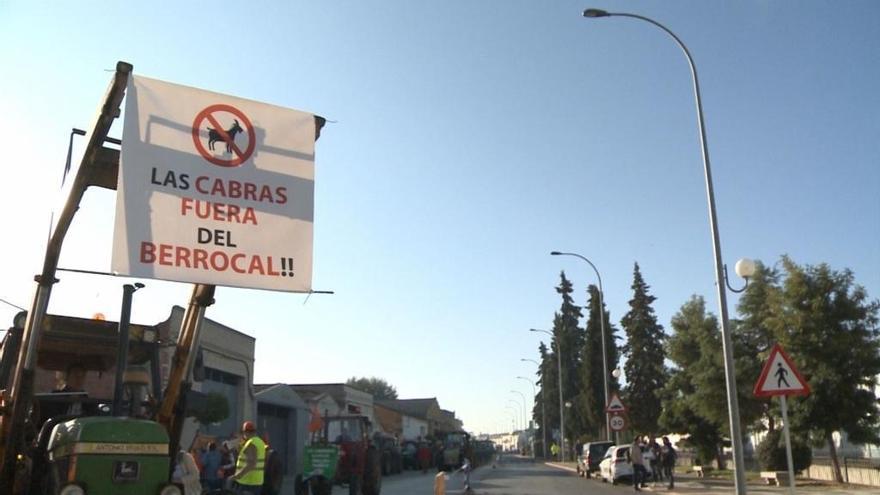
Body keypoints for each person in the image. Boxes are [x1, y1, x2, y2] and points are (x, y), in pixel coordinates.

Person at [231, 421, 267, 495]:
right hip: (256, 481)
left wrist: (238, 475)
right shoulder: (259, 442)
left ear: (245, 432)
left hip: (248, 482)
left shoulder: (251, 443)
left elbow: (251, 463)